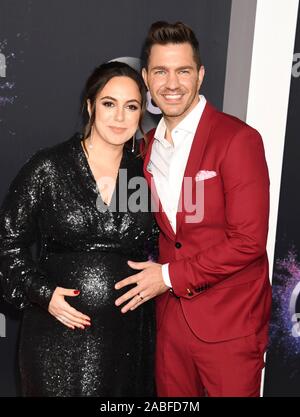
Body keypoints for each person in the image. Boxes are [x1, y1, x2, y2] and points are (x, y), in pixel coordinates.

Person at [115, 21, 272, 397]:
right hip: (170, 327)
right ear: (146, 78)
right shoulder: (145, 148)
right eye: (161, 71)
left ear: (200, 75)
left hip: (230, 326)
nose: (172, 84)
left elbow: (248, 241)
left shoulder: (237, 140)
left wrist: (167, 277)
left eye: (183, 71)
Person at [0, 61, 157, 397]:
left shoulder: (144, 176)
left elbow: (164, 245)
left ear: (141, 113)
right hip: (55, 337)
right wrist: (44, 295)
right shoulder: (49, 167)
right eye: (109, 104)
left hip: (125, 338)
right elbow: (7, 241)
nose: (119, 117)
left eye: (131, 107)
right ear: (90, 106)